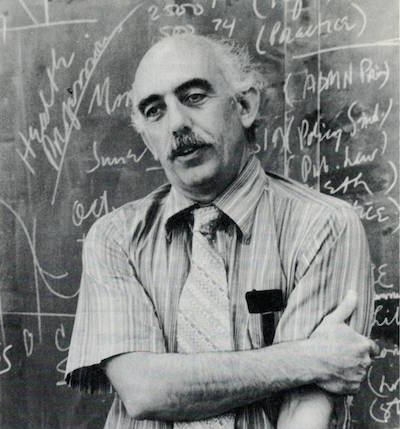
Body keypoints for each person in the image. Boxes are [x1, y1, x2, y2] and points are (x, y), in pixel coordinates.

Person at [65, 34, 378, 429]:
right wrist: (308, 358)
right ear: (146, 137)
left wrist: (305, 368)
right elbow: (143, 390)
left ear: (244, 105)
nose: (177, 123)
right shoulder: (115, 238)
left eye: (194, 96)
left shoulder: (324, 227)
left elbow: (304, 414)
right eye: (155, 111)